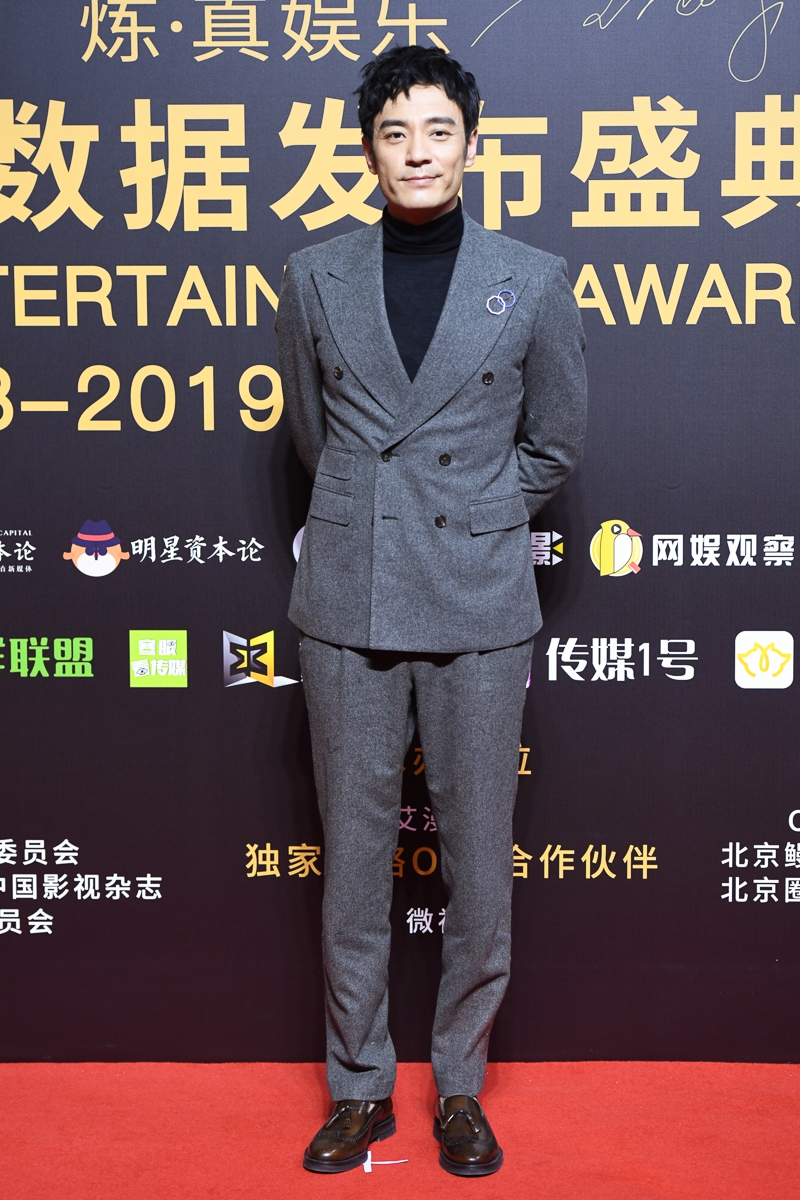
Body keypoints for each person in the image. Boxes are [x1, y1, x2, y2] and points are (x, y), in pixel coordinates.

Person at [275, 45, 586, 1177]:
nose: (417, 152)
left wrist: (468, 511)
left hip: (477, 596)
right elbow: (314, 434)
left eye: (437, 130)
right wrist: (377, 509)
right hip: (349, 596)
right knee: (353, 861)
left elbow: (554, 440)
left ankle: (459, 1084)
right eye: (394, 132)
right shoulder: (313, 275)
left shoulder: (532, 278)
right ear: (368, 149)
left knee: (478, 862)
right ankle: (359, 1085)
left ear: (470, 143)